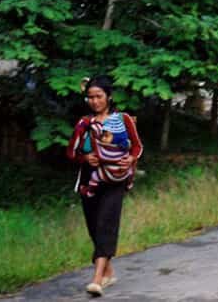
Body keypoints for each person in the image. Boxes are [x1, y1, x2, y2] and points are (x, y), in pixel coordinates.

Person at [66, 75, 143, 297]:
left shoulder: (123, 120)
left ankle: (97, 279)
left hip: (115, 180)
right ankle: (108, 271)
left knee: (106, 224)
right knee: (93, 227)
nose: (94, 101)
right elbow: (71, 152)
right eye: (90, 97)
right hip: (89, 181)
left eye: (99, 96)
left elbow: (137, 147)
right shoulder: (84, 123)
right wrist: (85, 158)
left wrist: (131, 159)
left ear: (108, 97)